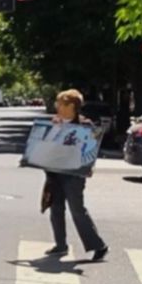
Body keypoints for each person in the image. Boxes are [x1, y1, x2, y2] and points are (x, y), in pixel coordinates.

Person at [41, 89, 109, 261]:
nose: (57, 107)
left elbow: (91, 148)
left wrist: (88, 165)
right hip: (55, 172)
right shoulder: (55, 122)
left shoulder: (85, 125)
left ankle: (98, 246)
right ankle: (60, 245)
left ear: (71, 106)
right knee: (56, 209)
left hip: (74, 175)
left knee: (77, 209)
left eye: (60, 104)